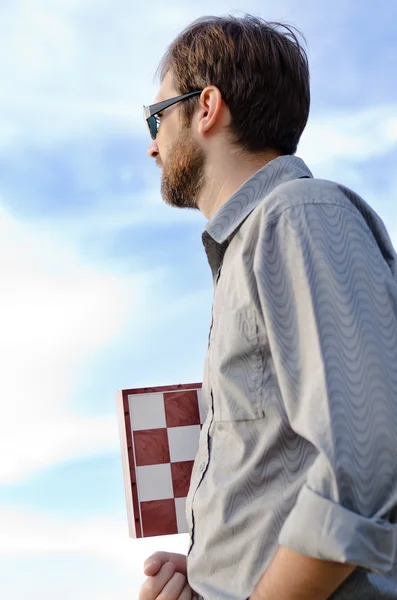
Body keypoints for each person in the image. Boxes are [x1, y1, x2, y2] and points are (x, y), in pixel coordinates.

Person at [139, 15, 397, 600]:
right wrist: (207, 572)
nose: (152, 143)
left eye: (157, 117)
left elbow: (368, 463)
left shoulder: (299, 214)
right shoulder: (253, 247)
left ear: (206, 108)